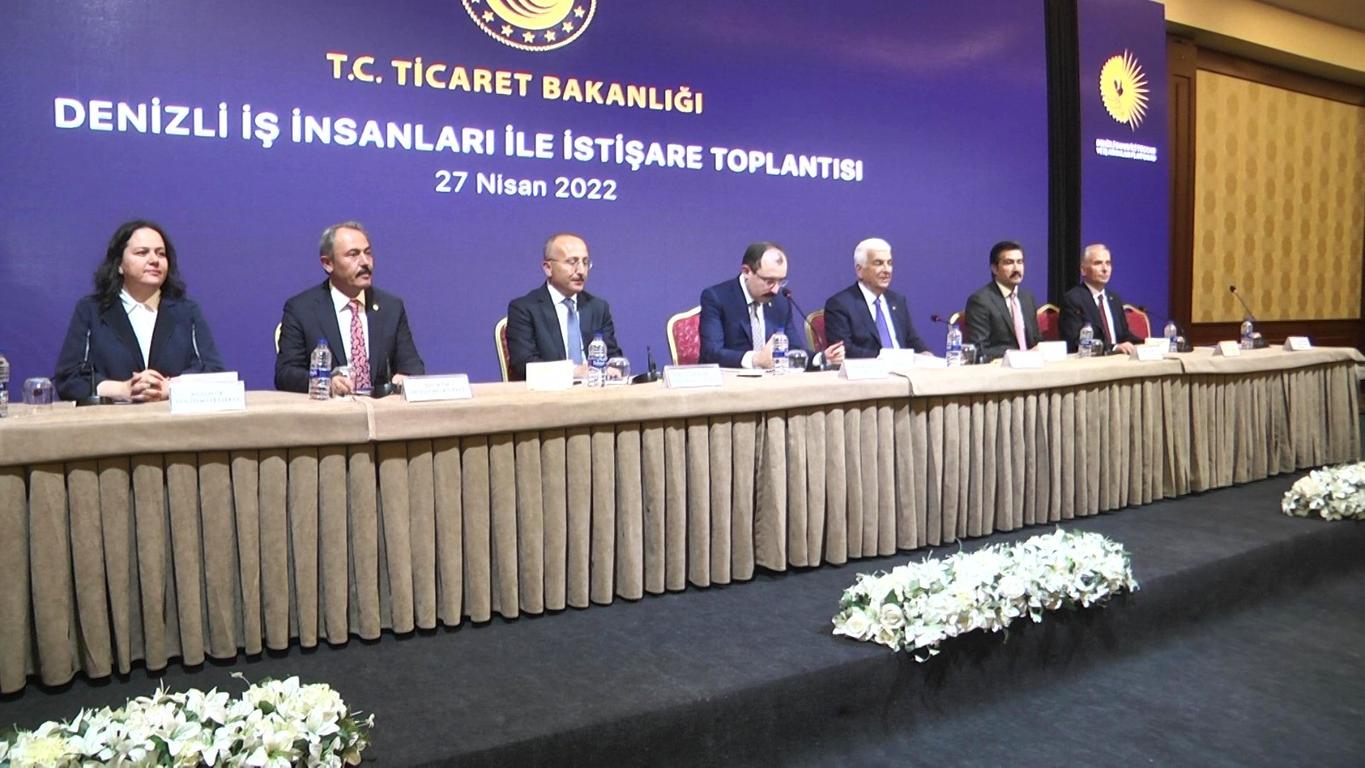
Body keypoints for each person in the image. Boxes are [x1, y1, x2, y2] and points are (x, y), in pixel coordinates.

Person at [54, 220, 225, 402]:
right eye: (142, 253)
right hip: (113, 418)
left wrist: (169, 388)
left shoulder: (186, 311)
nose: (154, 260)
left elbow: (214, 371)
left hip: (172, 417)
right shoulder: (92, 309)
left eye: (161, 253)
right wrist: (123, 389)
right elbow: (69, 379)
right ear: (119, 264)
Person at [275, 221, 424, 394]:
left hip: (381, 407)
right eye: (353, 254)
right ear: (328, 263)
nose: (365, 262)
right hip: (330, 407)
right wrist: (326, 382)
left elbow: (413, 366)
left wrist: (405, 378)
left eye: (368, 253)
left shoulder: (391, 307)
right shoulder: (302, 309)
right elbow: (285, 374)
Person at [699, 241, 843, 369]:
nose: (775, 290)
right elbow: (711, 353)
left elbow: (794, 348)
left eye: (781, 281)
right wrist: (756, 359)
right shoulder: (717, 297)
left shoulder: (781, 301)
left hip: (771, 383)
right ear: (746, 271)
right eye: (769, 281)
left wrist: (821, 358)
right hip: (732, 383)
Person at [506, 233, 621, 381]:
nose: (581, 271)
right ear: (548, 268)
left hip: (595, 389)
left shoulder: (598, 307)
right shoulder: (524, 309)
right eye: (572, 262)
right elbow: (524, 364)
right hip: (549, 391)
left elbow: (612, 356)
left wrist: (614, 368)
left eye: (585, 262)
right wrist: (574, 371)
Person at [823, 237, 927, 358]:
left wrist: (925, 353)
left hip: (904, 368)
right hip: (868, 369)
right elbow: (844, 350)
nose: (887, 270)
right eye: (878, 263)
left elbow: (911, 339)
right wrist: (887, 358)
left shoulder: (897, 301)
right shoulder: (840, 304)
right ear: (859, 270)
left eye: (889, 263)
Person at [963, 240, 1042, 362]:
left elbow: (1035, 340)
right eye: (1009, 263)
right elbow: (979, 348)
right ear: (994, 269)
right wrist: (1018, 355)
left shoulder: (1027, 298)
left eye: (1020, 262)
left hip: (1032, 365)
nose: (1016, 268)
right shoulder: (980, 301)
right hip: (1001, 367)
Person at [1060, 243, 1142, 355]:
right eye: (1098, 263)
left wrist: (1147, 343)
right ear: (1083, 270)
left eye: (1108, 263)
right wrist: (1114, 348)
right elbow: (1076, 342)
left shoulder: (1114, 299)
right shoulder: (1073, 299)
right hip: (1092, 361)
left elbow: (1124, 335)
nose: (1105, 269)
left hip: (1119, 360)